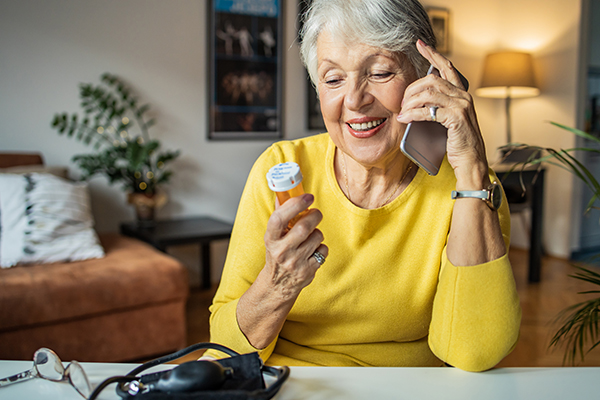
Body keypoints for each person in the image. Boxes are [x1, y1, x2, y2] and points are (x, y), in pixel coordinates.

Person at [208, 0, 521, 372]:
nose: (355, 99)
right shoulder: (280, 169)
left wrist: (471, 172)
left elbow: (475, 352)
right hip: (291, 385)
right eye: (333, 79)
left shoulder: (470, 185)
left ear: (426, 80)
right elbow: (224, 348)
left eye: (381, 72)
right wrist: (278, 284)